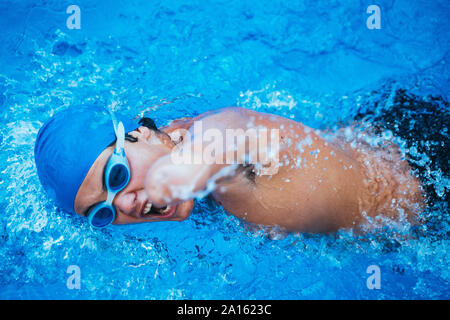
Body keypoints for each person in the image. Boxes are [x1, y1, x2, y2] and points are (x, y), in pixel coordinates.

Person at [34, 103, 425, 233]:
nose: (128, 204)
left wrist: (188, 170)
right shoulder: (170, 142)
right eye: (104, 213)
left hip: (428, 172)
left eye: (116, 176)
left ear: (139, 135)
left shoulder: (210, 140)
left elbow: (233, 133)